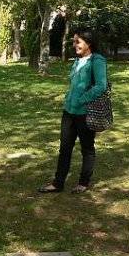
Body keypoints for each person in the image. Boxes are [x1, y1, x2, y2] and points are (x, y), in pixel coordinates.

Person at [39, 30, 108, 194]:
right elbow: (75, 84)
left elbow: (101, 86)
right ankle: (58, 183)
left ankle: (83, 183)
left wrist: (82, 99)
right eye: (74, 42)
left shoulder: (97, 60)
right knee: (64, 148)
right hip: (69, 111)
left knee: (87, 148)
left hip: (85, 113)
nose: (74, 45)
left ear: (88, 43)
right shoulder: (77, 60)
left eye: (78, 42)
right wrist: (69, 98)